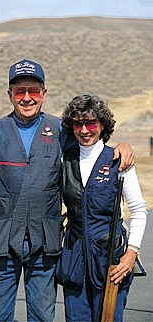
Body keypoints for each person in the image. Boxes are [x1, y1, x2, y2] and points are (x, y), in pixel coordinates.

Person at [0, 59, 135, 322]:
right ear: (10, 95)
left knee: (43, 316)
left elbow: (91, 143)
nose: (27, 98)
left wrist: (122, 145)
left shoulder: (61, 130)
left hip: (45, 244)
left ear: (44, 94)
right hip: (0, 241)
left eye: (34, 91)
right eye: (20, 91)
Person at [60, 93, 148, 322]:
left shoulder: (119, 160)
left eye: (91, 123)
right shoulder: (64, 160)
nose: (85, 130)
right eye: (78, 124)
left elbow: (138, 210)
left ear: (102, 125)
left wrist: (131, 254)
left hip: (110, 260)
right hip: (75, 259)